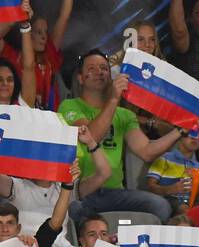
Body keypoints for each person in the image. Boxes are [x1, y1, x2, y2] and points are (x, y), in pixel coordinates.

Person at [59, 50, 186, 223]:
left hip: (115, 192)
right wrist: (113, 100)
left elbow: (147, 151)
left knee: (160, 206)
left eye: (104, 68)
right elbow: (91, 136)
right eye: (92, 68)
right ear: (80, 78)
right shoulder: (69, 106)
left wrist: (180, 130)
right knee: (74, 210)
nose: (99, 72)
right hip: (83, 191)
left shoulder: (124, 115)